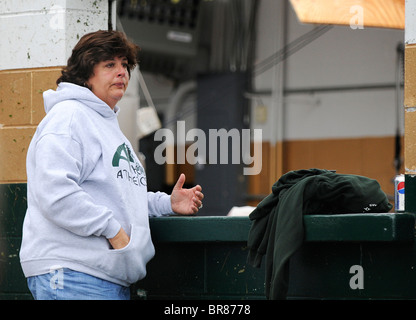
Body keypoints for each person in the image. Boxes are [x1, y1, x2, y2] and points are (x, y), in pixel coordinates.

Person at [19, 30, 204, 300]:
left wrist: (168, 204)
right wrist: (113, 231)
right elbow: (55, 194)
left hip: (100, 277)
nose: (122, 73)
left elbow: (122, 198)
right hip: (73, 274)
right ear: (84, 74)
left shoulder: (107, 125)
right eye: (109, 65)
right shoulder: (69, 117)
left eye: (124, 65)